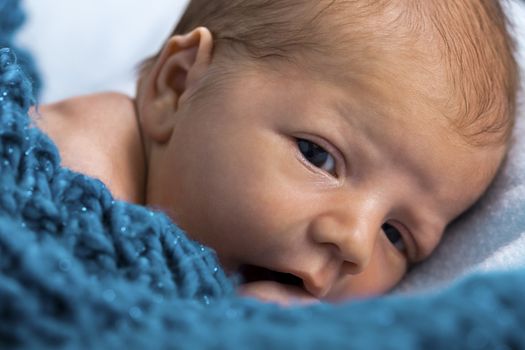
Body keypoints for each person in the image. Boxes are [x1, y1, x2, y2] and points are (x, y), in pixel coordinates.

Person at [32, 0, 518, 305]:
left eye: (395, 235)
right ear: (177, 87)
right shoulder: (76, 156)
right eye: (318, 156)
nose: (354, 243)